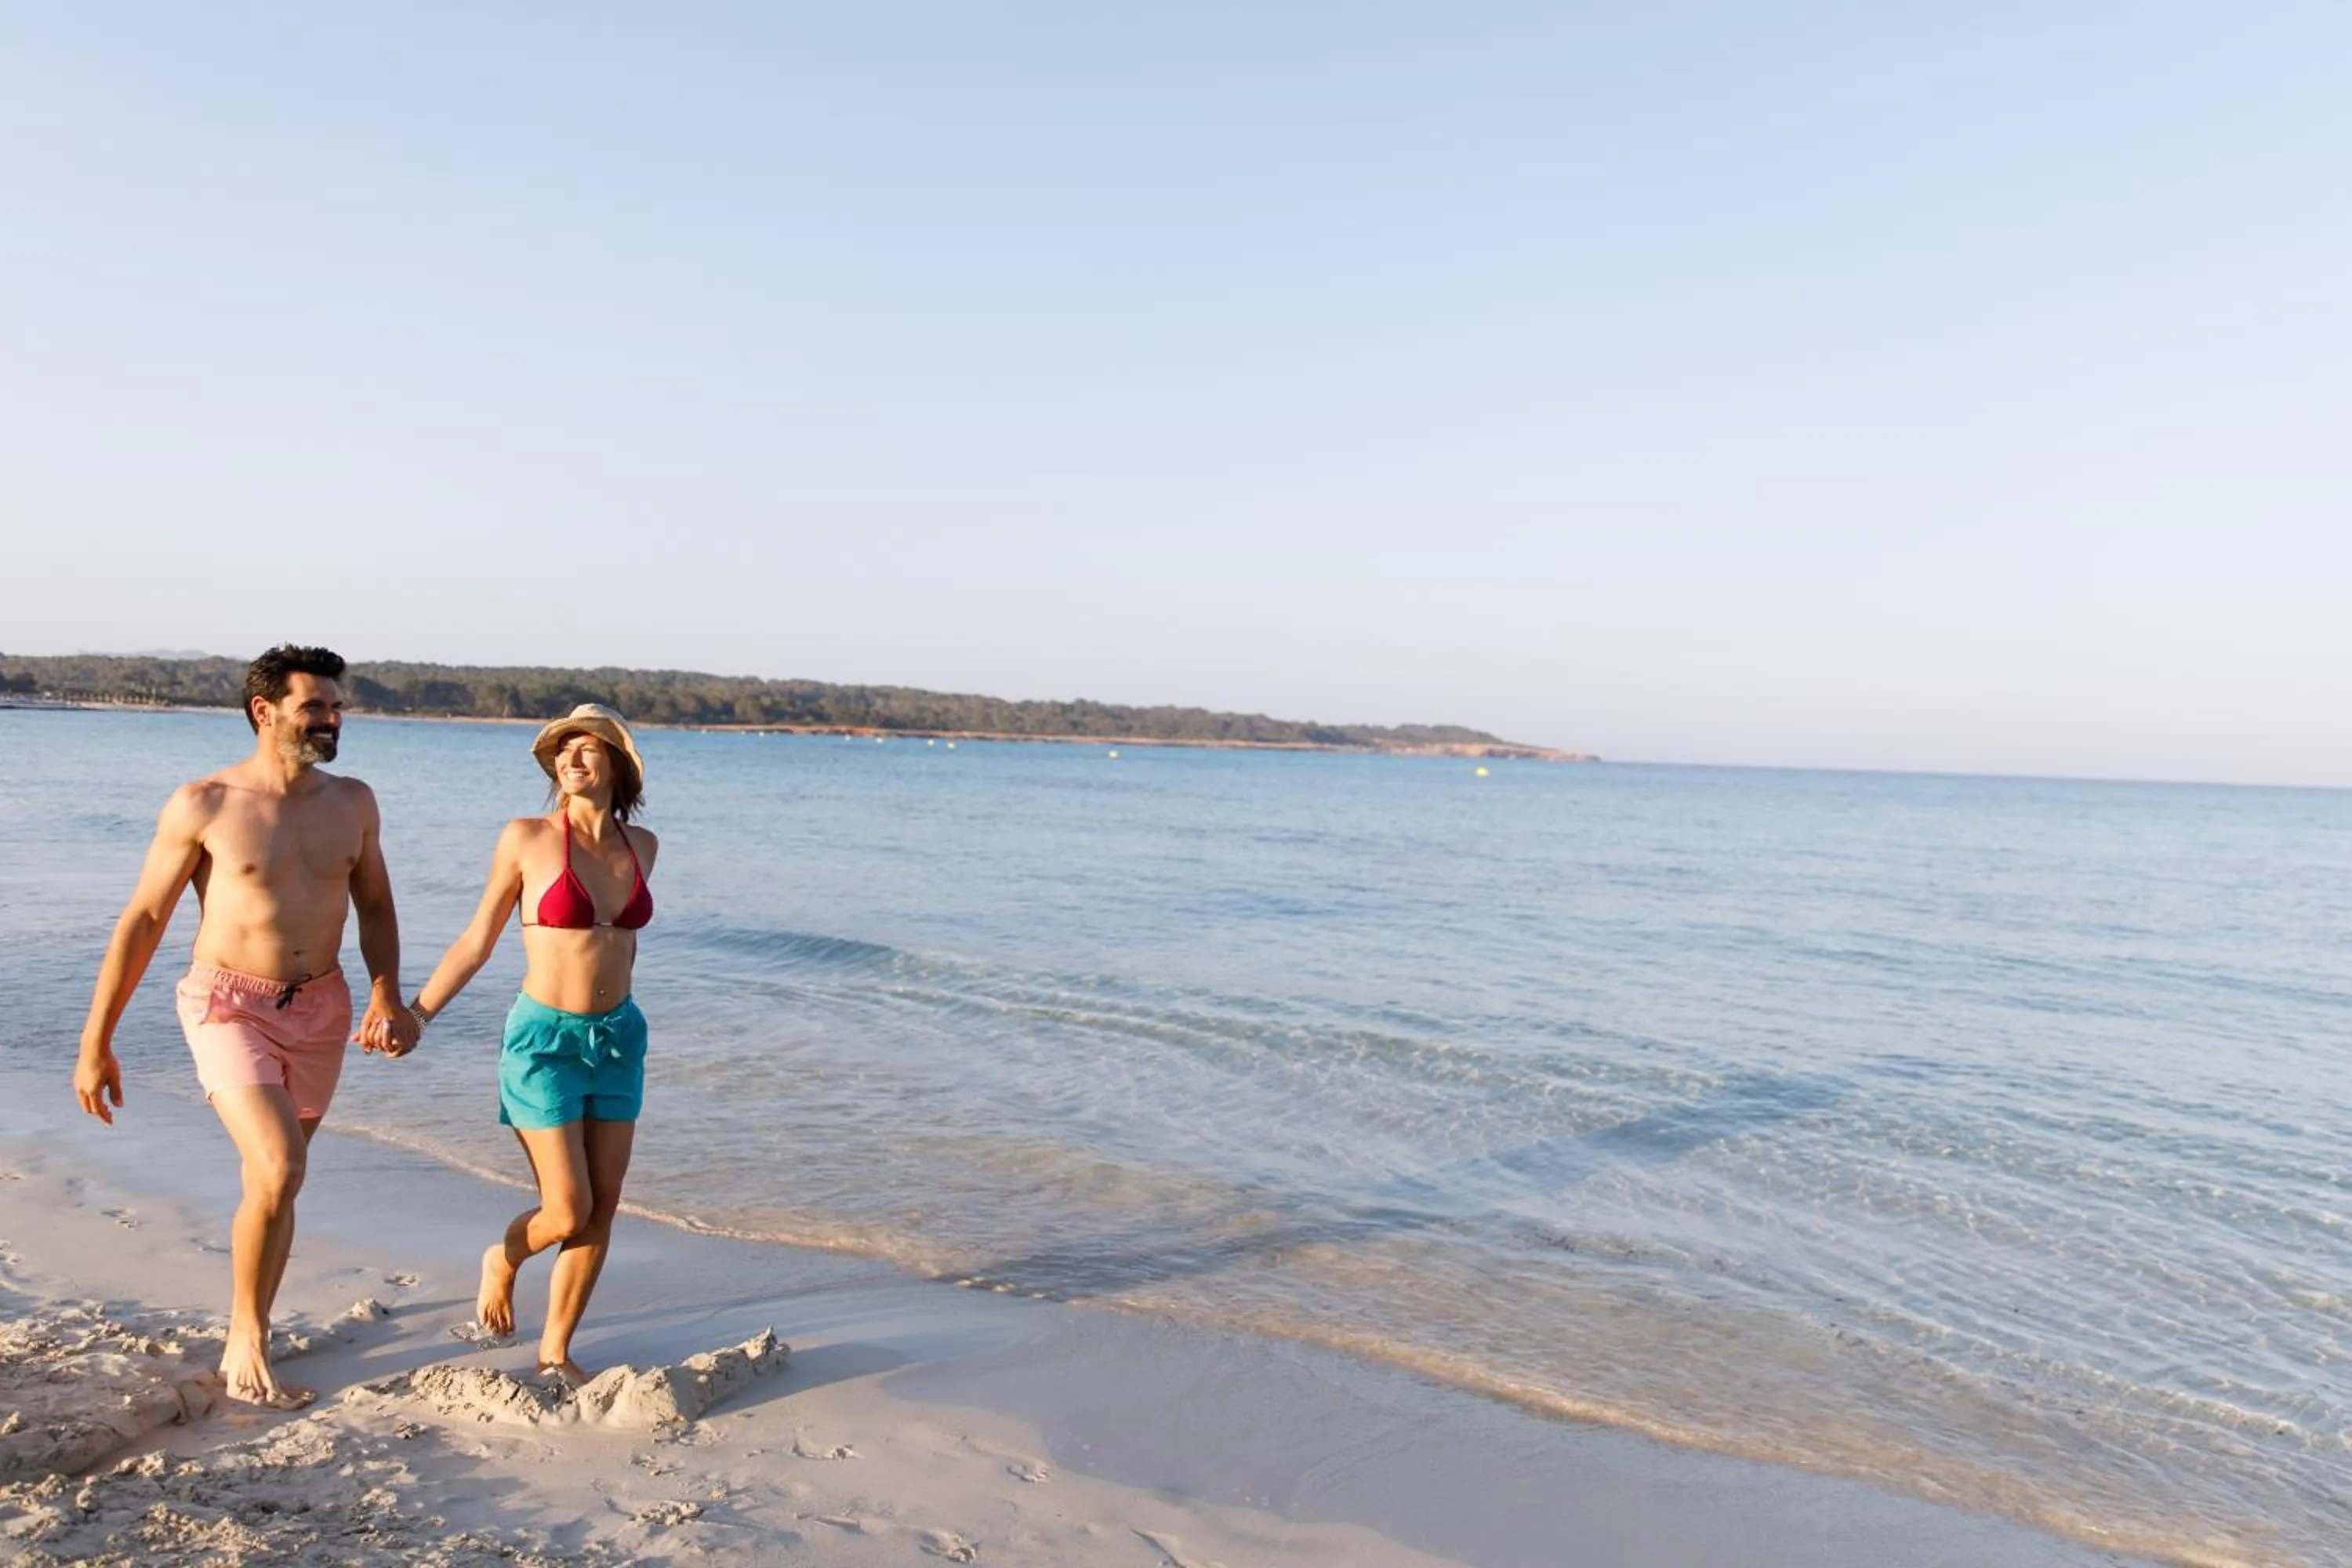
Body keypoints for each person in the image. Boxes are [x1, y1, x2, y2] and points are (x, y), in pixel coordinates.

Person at [73, 644, 418, 1409]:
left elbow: (378, 906)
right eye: (315, 706)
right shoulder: (204, 803)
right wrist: (97, 1038)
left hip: (321, 1004)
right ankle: (245, 1338)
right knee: (279, 1164)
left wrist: (385, 992)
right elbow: (143, 920)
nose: (331, 718)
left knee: (277, 1179)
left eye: (335, 706)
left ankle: (252, 1320)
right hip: (226, 1001)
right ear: (265, 711)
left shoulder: (354, 801)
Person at [407, 702, 658, 1387]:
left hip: (619, 1040)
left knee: (604, 1204)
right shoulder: (526, 838)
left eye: (588, 748)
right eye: (564, 749)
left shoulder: (645, 848)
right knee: (567, 1207)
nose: (573, 759)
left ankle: (556, 1348)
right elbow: (477, 939)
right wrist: (419, 1014)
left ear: (616, 764)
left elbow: (621, 945)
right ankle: (505, 1257)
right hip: (544, 1040)